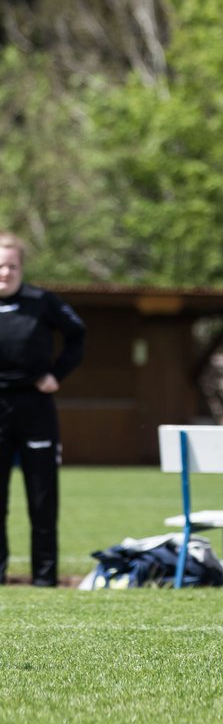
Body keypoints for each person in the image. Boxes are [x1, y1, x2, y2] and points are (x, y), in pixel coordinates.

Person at [0, 232, 86, 586]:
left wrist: (57, 374)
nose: (5, 272)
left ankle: (45, 578)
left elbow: (77, 334)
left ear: (21, 267)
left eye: (11, 265)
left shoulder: (42, 301)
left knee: (42, 498)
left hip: (35, 408)